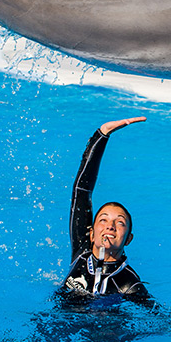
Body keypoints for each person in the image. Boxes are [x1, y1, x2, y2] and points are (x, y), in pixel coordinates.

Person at [62, 116, 153, 306]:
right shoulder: (82, 252)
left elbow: (158, 317)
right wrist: (101, 134)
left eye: (120, 222)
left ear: (128, 238)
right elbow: (81, 190)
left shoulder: (129, 283)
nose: (110, 227)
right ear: (91, 233)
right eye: (103, 220)